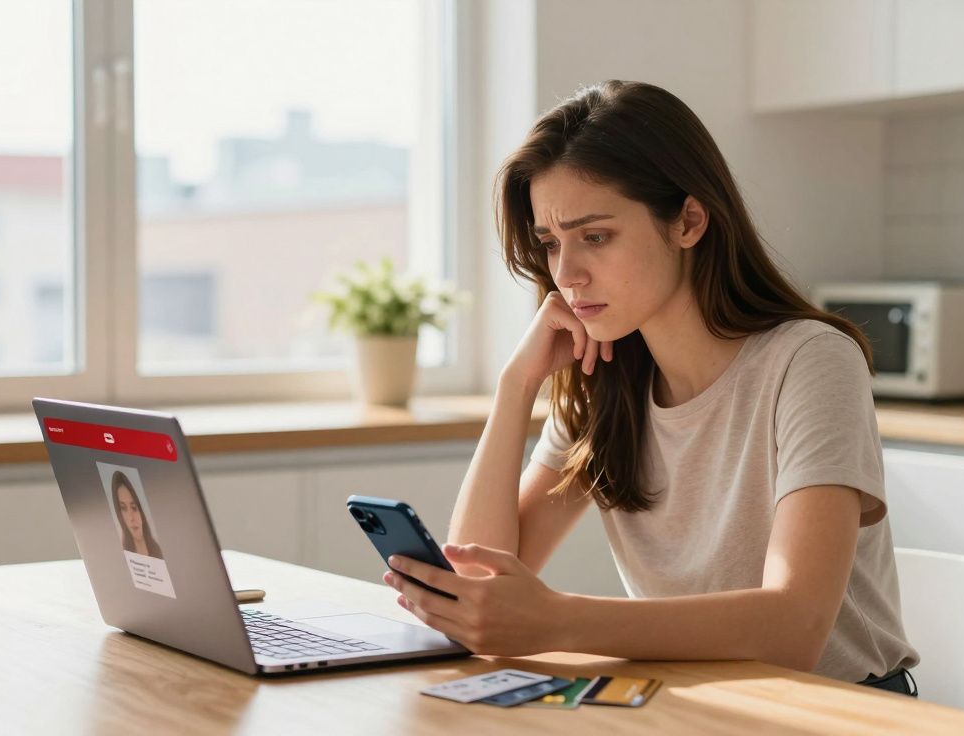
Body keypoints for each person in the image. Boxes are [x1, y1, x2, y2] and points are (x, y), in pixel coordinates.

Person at [381, 80, 919, 695]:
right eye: (551, 243)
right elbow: (478, 578)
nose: (566, 273)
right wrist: (516, 385)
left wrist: (555, 619)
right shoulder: (606, 381)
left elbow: (793, 629)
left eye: (596, 236)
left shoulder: (812, 360)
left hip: (839, 711)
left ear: (688, 221)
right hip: (686, 703)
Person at [112, 471, 164, 560]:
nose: (131, 518)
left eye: (134, 507)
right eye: (124, 509)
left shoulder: (158, 551)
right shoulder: (122, 555)